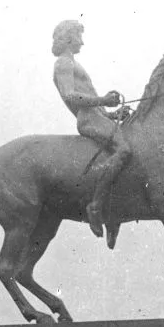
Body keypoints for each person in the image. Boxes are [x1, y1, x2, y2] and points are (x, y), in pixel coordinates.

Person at [51, 19, 132, 244]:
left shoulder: (73, 64)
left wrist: (111, 114)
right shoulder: (63, 64)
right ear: (68, 37)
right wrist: (103, 99)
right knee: (124, 150)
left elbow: (91, 102)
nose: (82, 42)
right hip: (88, 120)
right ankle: (96, 206)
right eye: (78, 36)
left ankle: (114, 213)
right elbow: (69, 95)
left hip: (97, 117)